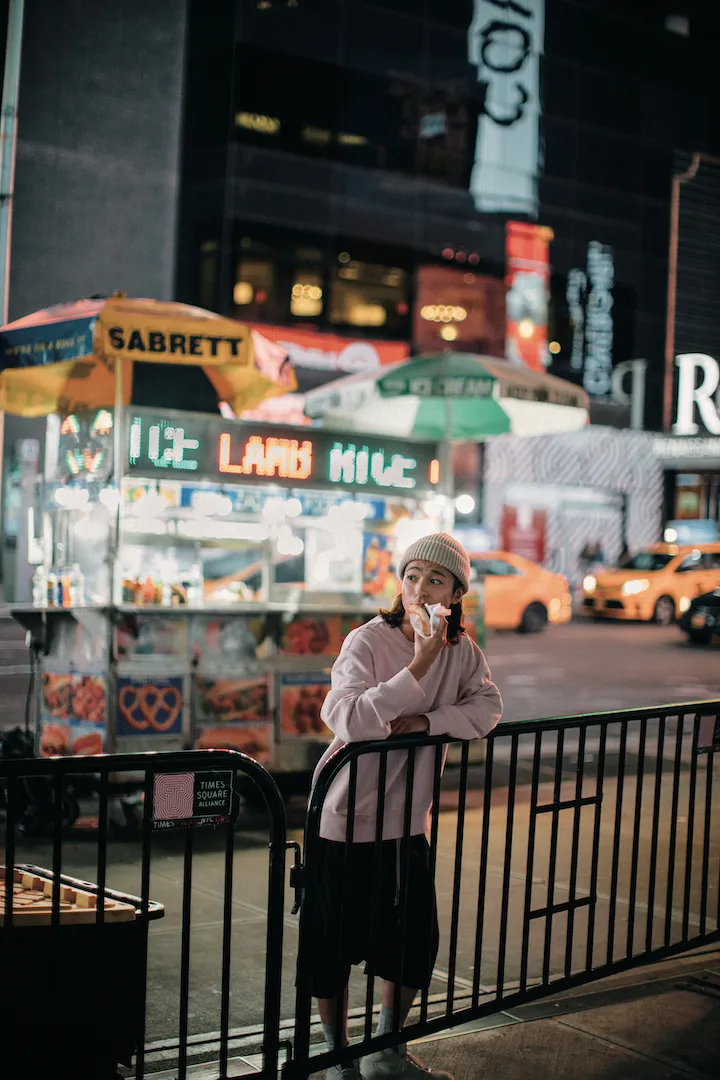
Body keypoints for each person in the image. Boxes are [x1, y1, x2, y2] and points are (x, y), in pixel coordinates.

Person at [309, 533, 503, 1080]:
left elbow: (488, 705)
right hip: (344, 815)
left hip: (408, 819)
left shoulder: (461, 649)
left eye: (435, 579)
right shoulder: (368, 640)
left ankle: (386, 1050)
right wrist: (416, 668)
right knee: (333, 946)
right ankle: (337, 1057)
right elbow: (345, 718)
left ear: (456, 592)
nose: (420, 588)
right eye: (412, 575)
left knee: (414, 941)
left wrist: (429, 722)